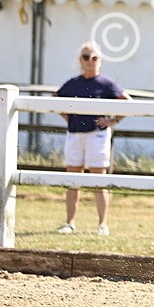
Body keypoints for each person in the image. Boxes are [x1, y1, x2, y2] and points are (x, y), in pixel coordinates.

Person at [54, 41, 130, 235]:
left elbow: (127, 102)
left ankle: (102, 224)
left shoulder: (107, 84)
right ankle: (70, 223)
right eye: (86, 57)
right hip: (75, 134)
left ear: (100, 60)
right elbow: (56, 98)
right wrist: (67, 117)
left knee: (99, 179)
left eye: (94, 57)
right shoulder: (73, 84)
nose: (90, 61)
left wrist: (113, 121)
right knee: (73, 179)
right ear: (80, 60)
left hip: (97, 135)